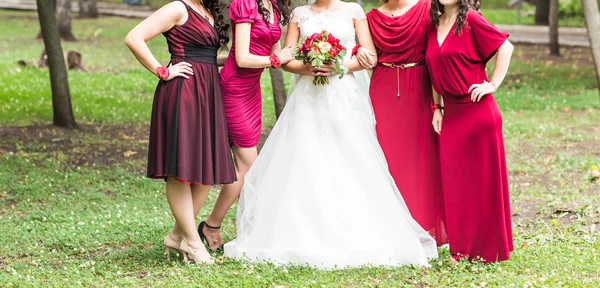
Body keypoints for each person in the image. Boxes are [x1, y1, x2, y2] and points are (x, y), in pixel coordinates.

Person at [224, 0, 437, 268]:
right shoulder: (299, 15)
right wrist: (308, 67)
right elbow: (287, 60)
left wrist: (336, 66)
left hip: (343, 94)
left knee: (351, 154)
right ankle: (296, 230)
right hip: (307, 94)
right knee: (304, 156)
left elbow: (370, 56)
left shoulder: (354, 11)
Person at [125, 0, 236, 263]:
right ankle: (194, 245)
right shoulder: (178, 7)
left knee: (204, 174)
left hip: (207, 94)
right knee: (181, 170)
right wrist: (162, 71)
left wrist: (237, 62)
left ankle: (177, 236)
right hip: (182, 93)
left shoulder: (207, 11)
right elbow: (134, 37)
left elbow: (204, 56)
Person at [197, 0, 295, 251]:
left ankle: (229, 225)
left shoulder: (273, 6)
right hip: (233, 90)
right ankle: (216, 225)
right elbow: (242, 58)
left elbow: (278, 55)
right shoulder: (245, 4)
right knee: (250, 166)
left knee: (247, 166)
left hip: (252, 92)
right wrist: (276, 59)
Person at [425, 0, 514, 262]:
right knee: (456, 183)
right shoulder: (434, 25)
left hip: (478, 112)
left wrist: (493, 84)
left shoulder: (472, 20)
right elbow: (433, 71)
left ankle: (488, 249)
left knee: (483, 184)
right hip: (451, 113)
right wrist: (436, 108)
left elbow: (505, 47)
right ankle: (461, 248)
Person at [358, 0, 447, 245]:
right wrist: (359, 52)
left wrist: (439, 104)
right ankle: (388, 226)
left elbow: (442, 47)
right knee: (386, 155)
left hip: (419, 86)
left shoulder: (428, 8)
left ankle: (423, 224)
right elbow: (364, 52)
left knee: (420, 157)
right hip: (383, 87)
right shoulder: (370, 17)